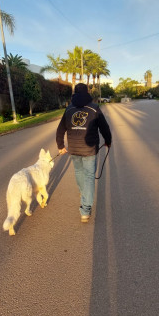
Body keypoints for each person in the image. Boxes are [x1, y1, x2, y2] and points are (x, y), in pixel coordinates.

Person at [56, 83, 112, 223]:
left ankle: (84, 195)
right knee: (88, 177)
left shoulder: (69, 109)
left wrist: (60, 146)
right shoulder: (94, 108)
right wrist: (108, 141)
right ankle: (85, 210)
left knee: (80, 173)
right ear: (87, 93)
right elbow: (104, 127)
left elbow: (60, 129)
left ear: (74, 93)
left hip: (74, 149)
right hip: (89, 150)